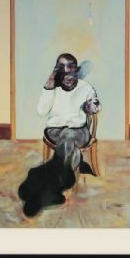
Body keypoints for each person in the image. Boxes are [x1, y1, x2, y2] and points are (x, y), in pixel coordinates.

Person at [17, 54, 103, 218]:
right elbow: (41, 112)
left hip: (79, 132)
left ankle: (41, 182)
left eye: (71, 69)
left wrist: (90, 107)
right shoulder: (52, 87)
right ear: (57, 72)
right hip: (55, 131)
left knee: (69, 135)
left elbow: (96, 104)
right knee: (68, 141)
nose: (68, 75)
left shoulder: (85, 88)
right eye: (63, 70)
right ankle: (55, 188)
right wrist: (49, 86)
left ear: (76, 70)